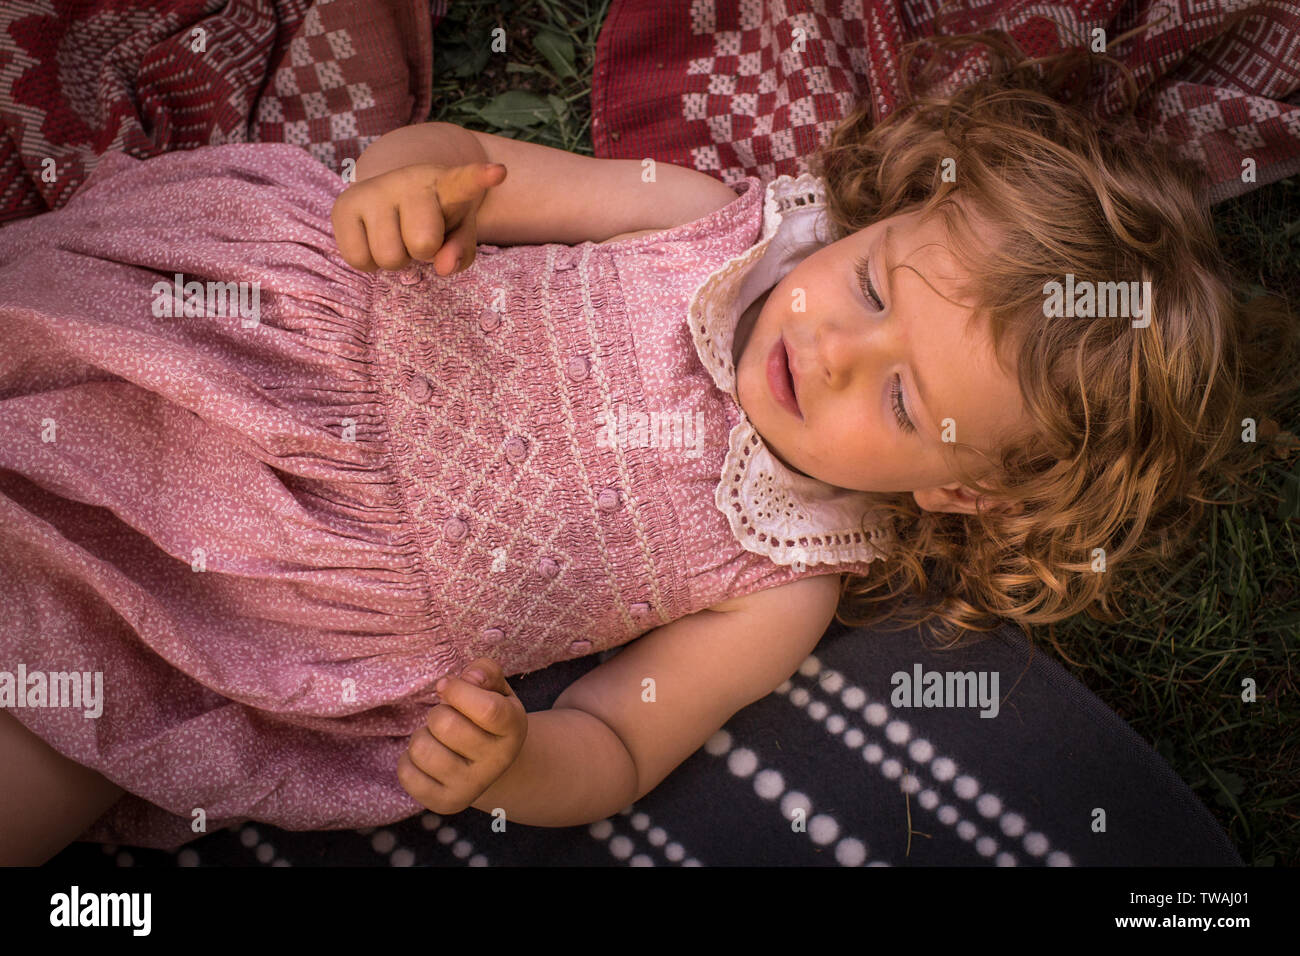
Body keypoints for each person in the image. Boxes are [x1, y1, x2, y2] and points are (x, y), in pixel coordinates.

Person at [1, 35, 1294, 864]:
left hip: (292, 598)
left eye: (902, 405)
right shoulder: (705, 223)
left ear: (958, 489)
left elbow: (618, 745)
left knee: (56, 755)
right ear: (889, 217)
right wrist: (410, 180)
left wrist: (516, 764)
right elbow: (480, 172)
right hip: (281, 340)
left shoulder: (785, 586)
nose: (836, 350)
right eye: (879, 290)